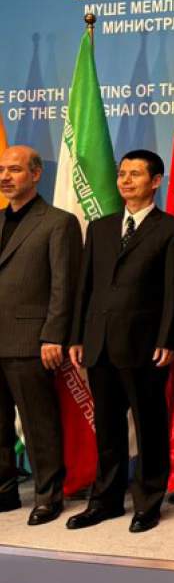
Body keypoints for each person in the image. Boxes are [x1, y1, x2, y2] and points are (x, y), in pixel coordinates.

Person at [67, 150, 174, 533]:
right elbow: (85, 287)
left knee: (150, 427)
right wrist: (77, 336)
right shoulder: (101, 228)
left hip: (145, 346)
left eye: (135, 174)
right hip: (99, 343)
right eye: (122, 173)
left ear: (156, 181)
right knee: (107, 428)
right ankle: (105, 501)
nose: (126, 180)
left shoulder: (171, 229)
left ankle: (148, 502)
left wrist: (168, 339)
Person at [0, 145, 82, 525]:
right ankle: (5, 491)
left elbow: (64, 286)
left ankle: (49, 495)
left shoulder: (57, 222)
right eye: (2, 170)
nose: (5, 177)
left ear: (35, 174)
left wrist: (54, 336)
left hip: (31, 340)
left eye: (14, 170)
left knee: (39, 424)